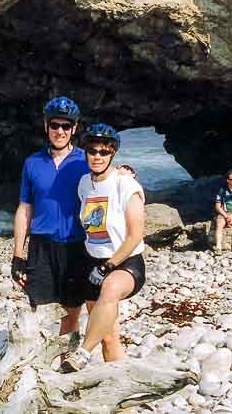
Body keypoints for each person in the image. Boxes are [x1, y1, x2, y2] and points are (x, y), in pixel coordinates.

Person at [60, 123, 146, 373]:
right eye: (92, 151)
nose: (97, 156)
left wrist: (108, 266)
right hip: (92, 261)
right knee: (109, 338)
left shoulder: (126, 185)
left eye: (104, 152)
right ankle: (124, 405)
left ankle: (83, 353)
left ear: (113, 154)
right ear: (85, 152)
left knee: (109, 290)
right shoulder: (84, 183)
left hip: (124, 262)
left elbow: (135, 235)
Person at [11, 96, 90, 336]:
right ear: (46, 126)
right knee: (39, 310)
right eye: (55, 125)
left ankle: (66, 364)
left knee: (71, 310)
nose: (60, 131)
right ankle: (34, 365)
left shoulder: (86, 161)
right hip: (40, 246)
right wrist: (17, 255)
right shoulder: (32, 163)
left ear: (74, 128)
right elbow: (25, 208)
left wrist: (127, 172)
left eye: (66, 125)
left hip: (75, 245)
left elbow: (109, 181)